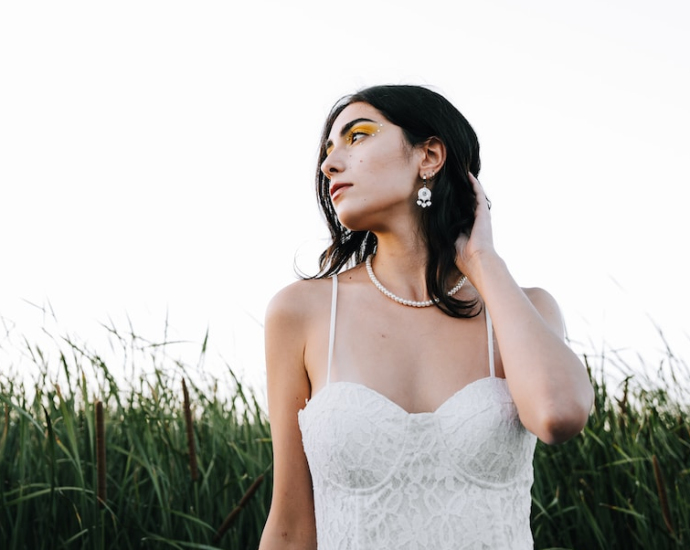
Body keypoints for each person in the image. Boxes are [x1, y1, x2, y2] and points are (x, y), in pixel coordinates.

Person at [259, 85, 594, 550]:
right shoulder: (302, 313)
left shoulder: (524, 309)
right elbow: (291, 525)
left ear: (430, 155)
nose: (330, 163)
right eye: (329, 150)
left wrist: (482, 259)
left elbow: (559, 414)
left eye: (357, 136)